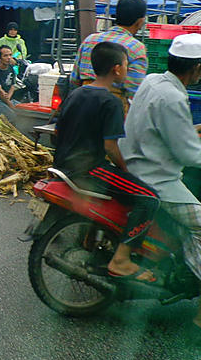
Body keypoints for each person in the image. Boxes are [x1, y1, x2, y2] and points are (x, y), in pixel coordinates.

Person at [121, 33, 201, 351]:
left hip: (136, 160)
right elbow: (192, 156)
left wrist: (188, 133)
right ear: (198, 68)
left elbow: (154, 125)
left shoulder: (154, 81)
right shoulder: (174, 98)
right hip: (156, 178)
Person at [53, 42, 159, 281]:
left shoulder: (76, 93)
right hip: (89, 170)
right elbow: (110, 147)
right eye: (126, 66)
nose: (127, 70)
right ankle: (122, 259)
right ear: (117, 69)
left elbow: (58, 131)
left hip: (64, 164)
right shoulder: (110, 101)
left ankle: (96, 239)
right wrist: (124, 168)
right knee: (150, 200)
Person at [71, 0, 148, 114]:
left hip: (81, 106)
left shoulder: (90, 39)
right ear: (140, 21)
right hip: (113, 110)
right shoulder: (136, 48)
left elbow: (74, 79)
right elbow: (134, 91)